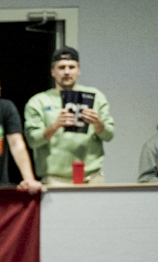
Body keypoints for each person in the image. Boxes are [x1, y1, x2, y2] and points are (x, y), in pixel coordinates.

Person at [23, 47, 115, 185]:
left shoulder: (96, 96)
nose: (67, 72)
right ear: (53, 71)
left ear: (79, 70)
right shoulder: (38, 101)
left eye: (71, 67)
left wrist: (98, 123)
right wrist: (55, 126)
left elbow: (109, 135)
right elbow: (32, 141)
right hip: (54, 179)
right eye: (61, 67)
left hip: (91, 177)